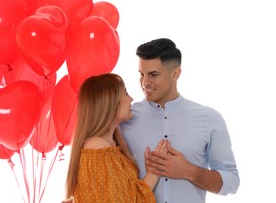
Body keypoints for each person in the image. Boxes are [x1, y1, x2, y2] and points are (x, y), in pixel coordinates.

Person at [119, 38, 240, 203]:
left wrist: (189, 171)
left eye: (153, 74)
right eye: (142, 74)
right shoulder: (124, 120)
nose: (145, 82)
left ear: (175, 74)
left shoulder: (209, 118)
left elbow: (232, 181)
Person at [64, 73, 168, 202]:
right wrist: (154, 173)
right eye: (125, 93)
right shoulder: (98, 148)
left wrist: (153, 172)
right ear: (108, 101)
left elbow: (127, 197)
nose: (131, 98)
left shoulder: (109, 146)